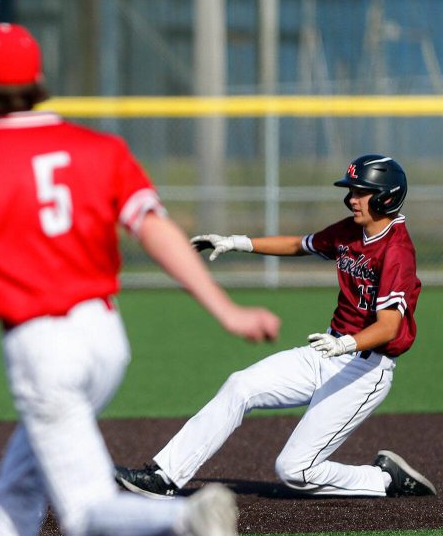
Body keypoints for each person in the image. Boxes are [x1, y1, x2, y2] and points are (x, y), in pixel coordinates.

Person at [0, 23, 281, 536]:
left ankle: (187, 518)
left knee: (86, 520)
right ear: (38, 81)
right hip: (105, 341)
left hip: (42, 348)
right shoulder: (98, 147)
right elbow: (157, 229)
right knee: (16, 494)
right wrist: (226, 308)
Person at [116, 154, 436, 500]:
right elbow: (301, 244)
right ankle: (165, 476)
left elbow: (390, 326)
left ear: (386, 197)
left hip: (365, 368)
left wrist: (345, 345)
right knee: (241, 385)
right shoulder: (351, 230)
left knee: (295, 471)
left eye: (361, 192)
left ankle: (384, 480)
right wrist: (240, 242)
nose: (352, 199)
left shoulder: (397, 250)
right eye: (352, 191)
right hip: (327, 351)